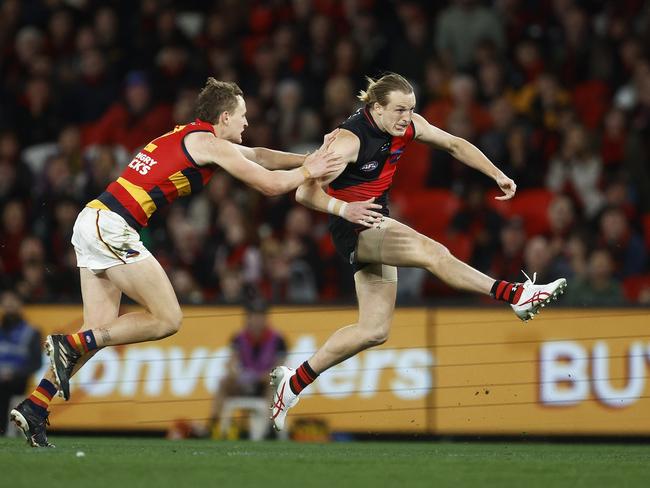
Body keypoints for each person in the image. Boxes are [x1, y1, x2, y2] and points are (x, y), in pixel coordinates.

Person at [9, 78, 377, 447]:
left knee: (100, 331)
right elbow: (269, 184)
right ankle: (71, 342)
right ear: (225, 116)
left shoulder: (193, 137)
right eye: (243, 116)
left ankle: (36, 406)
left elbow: (260, 155)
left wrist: (311, 159)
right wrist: (310, 172)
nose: (247, 124)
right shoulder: (207, 143)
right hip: (113, 225)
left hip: (95, 221)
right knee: (168, 318)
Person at [270, 73, 568, 431]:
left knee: (374, 329)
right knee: (433, 252)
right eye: (398, 110)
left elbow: (455, 144)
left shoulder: (406, 125)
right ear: (376, 108)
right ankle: (515, 294)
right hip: (352, 226)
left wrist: (496, 173)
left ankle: (294, 383)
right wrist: (343, 209)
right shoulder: (349, 141)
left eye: (411, 110)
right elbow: (304, 193)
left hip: (374, 220)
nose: (406, 118)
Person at [209, 297, 286, 435]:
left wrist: (260, 377)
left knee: (274, 384)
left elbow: (280, 368)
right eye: (254, 316)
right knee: (223, 382)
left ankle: (270, 427)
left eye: (260, 316)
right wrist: (236, 374)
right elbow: (231, 363)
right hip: (243, 382)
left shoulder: (278, 339)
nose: (257, 320)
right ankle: (213, 424)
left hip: (264, 383)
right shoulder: (238, 338)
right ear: (248, 318)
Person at [1, 291, 41, 441]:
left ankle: (11, 430)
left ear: (20, 305)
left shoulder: (31, 332)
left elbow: (36, 362)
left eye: (13, 303)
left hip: (17, 381)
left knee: (11, 390)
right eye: (6, 303)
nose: (9, 307)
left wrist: (15, 374)